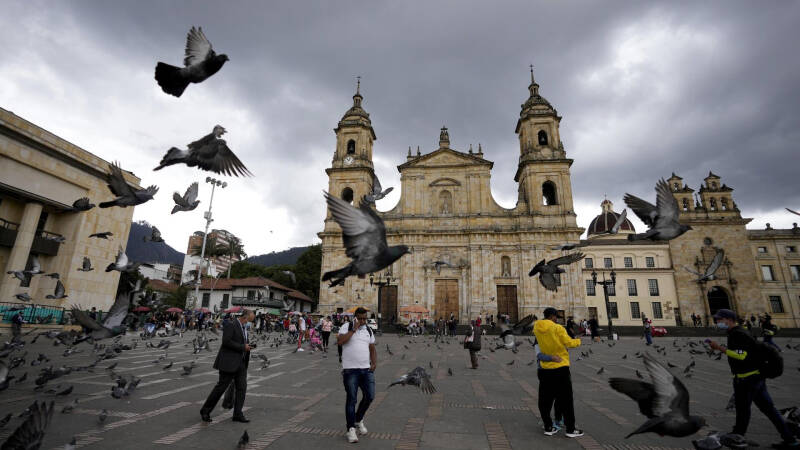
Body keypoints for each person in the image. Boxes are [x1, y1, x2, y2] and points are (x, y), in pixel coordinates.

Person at [708, 309, 797, 449]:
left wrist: (719, 348)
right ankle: (790, 439)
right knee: (769, 410)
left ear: (729, 320)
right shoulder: (741, 331)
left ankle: (737, 436)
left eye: (720, 320)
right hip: (756, 378)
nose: (717, 323)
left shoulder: (737, 334)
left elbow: (741, 355)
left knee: (743, 410)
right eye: (717, 320)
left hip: (746, 380)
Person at [533, 307, 583, 438]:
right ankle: (570, 429)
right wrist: (578, 341)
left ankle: (549, 426)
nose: (557, 319)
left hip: (545, 370)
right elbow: (569, 343)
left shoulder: (536, 328)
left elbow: (538, 351)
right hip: (560, 367)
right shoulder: (558, 328)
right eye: (556, 317)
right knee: (566, 399)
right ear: (553, 316)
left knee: (544, 400)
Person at [200, 309, 255, 423]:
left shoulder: (244, 327)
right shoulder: (231, 325)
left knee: (242, 388)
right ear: (244, 318)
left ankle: (237, 414)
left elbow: (242, 342)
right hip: (228, 362)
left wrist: (248, 346)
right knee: (221, 388)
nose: (250, 324)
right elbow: (226, 342)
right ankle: (205, 411)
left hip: (241, 363)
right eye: (249, 321)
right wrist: (242, 347)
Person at [337, 307, 377, 443]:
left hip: (366, 370)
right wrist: (353, 329)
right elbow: (340, 341)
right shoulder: (346, 326)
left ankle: (358, 419)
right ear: (355, 318)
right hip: (350, 370)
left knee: (370, 396)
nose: (362, 321)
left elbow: (372, 348)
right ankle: (351, 429)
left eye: (365, 318)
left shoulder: (369, 330)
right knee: (352, 399)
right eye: (360, 318)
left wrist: (374, 363)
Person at [534, 337, 564, 432]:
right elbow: (539, 355)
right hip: (545, 371)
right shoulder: (539, 338)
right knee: (546, 398)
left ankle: (557, 420)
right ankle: (549, 423)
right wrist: (551, 357)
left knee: (559, 396)